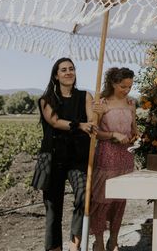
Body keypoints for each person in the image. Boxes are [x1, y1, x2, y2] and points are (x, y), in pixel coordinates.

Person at [38, 58, 97, 251]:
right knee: (53, 208)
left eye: (71, 69)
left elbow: (92, 122)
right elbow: (55, 122)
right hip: (53, 157)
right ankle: (54, 248)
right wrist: (79, 125)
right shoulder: (46, 99)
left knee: (83, 195)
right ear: (56, 75)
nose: (68, 72)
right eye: (63, 70)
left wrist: (99, 113)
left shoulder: (85, 96)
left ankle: (75, 243)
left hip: (78, 156)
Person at [89, 67, 137, 251]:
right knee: (102, 199)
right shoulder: (102, 103)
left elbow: (134, 130)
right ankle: (99, 241)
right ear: (113, 83)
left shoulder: (131, 103)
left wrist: (134, 136)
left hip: (126, 156)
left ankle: (114, 240)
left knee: (119, 200)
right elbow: (94, 132)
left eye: (130, 87)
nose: (126, 90)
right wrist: (113, 134)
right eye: (123, 86)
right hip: (107, 154)